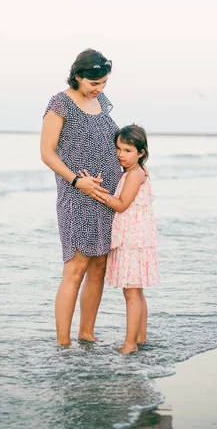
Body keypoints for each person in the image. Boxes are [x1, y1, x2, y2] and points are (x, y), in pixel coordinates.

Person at [40, 49, 122, 346]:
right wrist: (77, 181)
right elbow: (47, 153)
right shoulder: (60, 104)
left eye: (103, 84)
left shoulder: (100, 101)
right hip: (77, 195)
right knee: (76, 267)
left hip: (106, 197)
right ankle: (63, 342)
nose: (99, 89)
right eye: (94, 84)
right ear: (77, 76)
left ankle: (86, 333)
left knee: (98, 266)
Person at [78, 124, 160, 354]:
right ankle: (140, 337)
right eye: (119, 149)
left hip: (133, 241)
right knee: (137, 291)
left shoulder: (135, 174)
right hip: (137, 237)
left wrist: (94, 190)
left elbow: (122, 205)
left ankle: (130, 343)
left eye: (127, 150)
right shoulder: (133, 173)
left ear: (141, 152)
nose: (120, 155)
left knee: (131, 292)